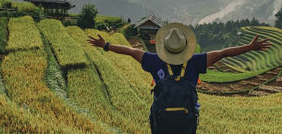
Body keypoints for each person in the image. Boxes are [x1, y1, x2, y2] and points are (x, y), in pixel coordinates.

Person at [87, 22, 271, 134]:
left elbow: (130, 51)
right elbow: (223, 53)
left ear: (164, 48)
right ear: (185, 48)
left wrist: (106, 45)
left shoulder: (153, 61)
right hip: (187, 118)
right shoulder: (196, 62)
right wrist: (250, 47)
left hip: (160, 119)